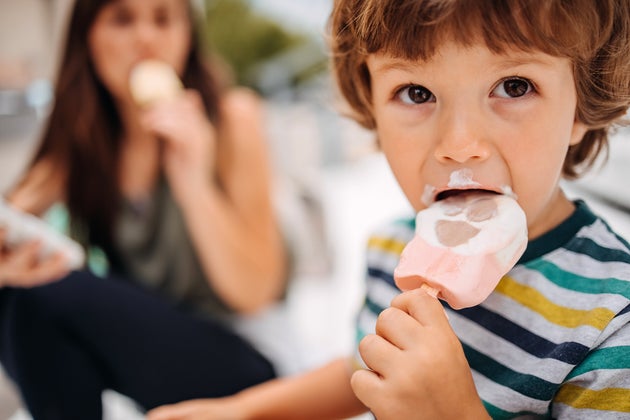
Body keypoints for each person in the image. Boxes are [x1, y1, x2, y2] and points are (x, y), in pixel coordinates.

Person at [147, 0, 630, 419]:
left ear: (583, 106)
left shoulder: (611, 316)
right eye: (416, 93)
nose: (460, 146)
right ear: (372, 109)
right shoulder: (393, 249)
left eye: (514, 87)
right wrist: (244, 409)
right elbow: (363, 373)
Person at [0, 0, 290, 418]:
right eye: (121, 19)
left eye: (163, 18)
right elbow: (12, 223)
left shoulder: (230, 119)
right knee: (17, 291)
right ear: (87, 39)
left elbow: (253, 294)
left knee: (45, 292)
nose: (146, 38)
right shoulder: (84, 147)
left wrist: (193, 180)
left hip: (252, 363)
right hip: (155, 360)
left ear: (188, 35)